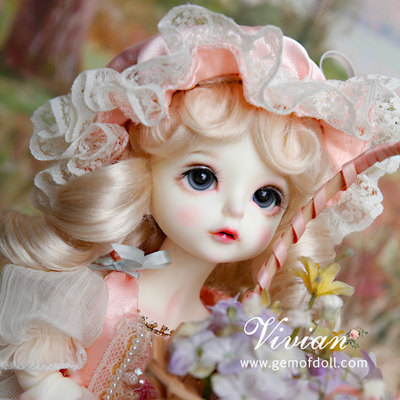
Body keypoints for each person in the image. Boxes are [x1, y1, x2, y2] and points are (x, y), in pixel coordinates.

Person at [1, 5, 399, 400]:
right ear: (144, 171)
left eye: (265, 197)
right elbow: (39, 382)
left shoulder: (233, 332)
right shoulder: (88, 294)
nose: (235, 210)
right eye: (201, 178)